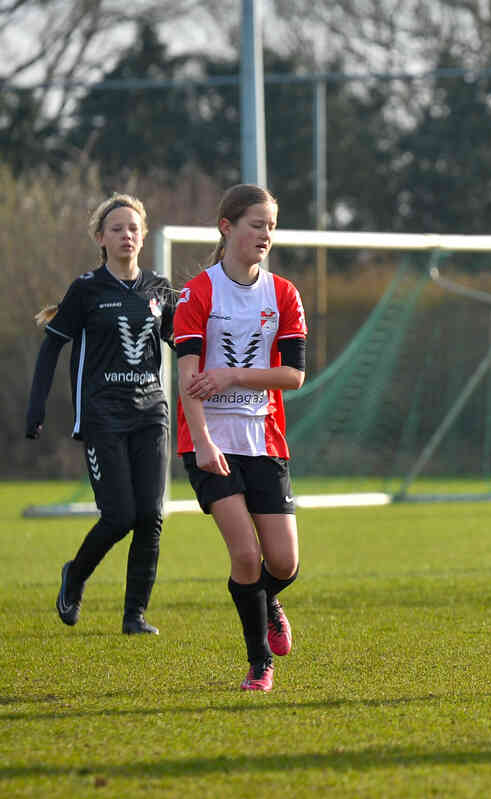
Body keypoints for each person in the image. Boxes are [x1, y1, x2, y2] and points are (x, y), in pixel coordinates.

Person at [174, 184, 307, 692]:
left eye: (271, 225)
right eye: (257, 224)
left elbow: (293, 376)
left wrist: (230, 376)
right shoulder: (198, 293)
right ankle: (259, 665)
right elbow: (188, 377)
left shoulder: (285, 295)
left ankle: (266, 600)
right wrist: (203, 440)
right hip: (210, 442)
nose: (266, 234)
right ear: (227, 227)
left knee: (284, 563)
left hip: (265, 441)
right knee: (246, 557)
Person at [26, 193, 175, 635]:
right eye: (116, 229)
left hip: (151, 413)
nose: (126, 235)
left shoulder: (159, 288)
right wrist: (36, 408)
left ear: (143, 235)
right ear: (101, 238)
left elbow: (183, 342)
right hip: (102, 415)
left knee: (151, 515)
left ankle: (135, 616)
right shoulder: (86, 289)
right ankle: (74, 575)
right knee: (119, 516)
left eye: (133, 228)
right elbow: (52, 344)